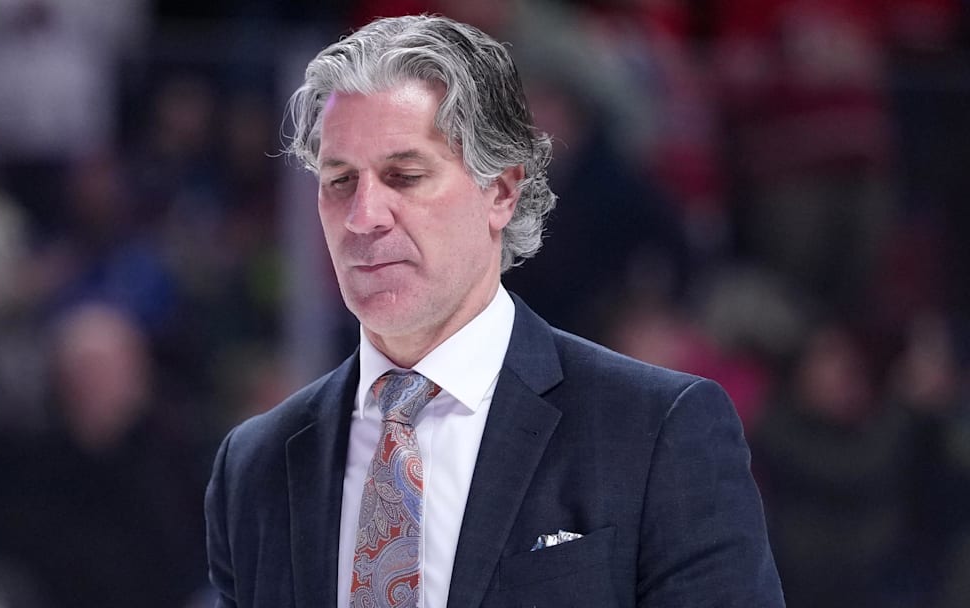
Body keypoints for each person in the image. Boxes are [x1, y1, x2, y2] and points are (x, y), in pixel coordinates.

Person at [205, 14, 783, 607]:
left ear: (502, 192)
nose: (364, 215)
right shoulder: (254, 465)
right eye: (340, 181)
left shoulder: (658, 430)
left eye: (404, 176)